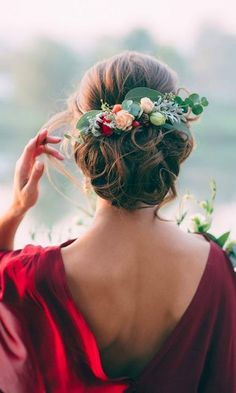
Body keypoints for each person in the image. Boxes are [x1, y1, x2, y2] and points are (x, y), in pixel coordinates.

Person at [0, 51, 235, 393]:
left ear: (83, 147)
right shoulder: (215, 270)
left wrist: (16, 209)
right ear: (173, 145)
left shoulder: (32, 278)